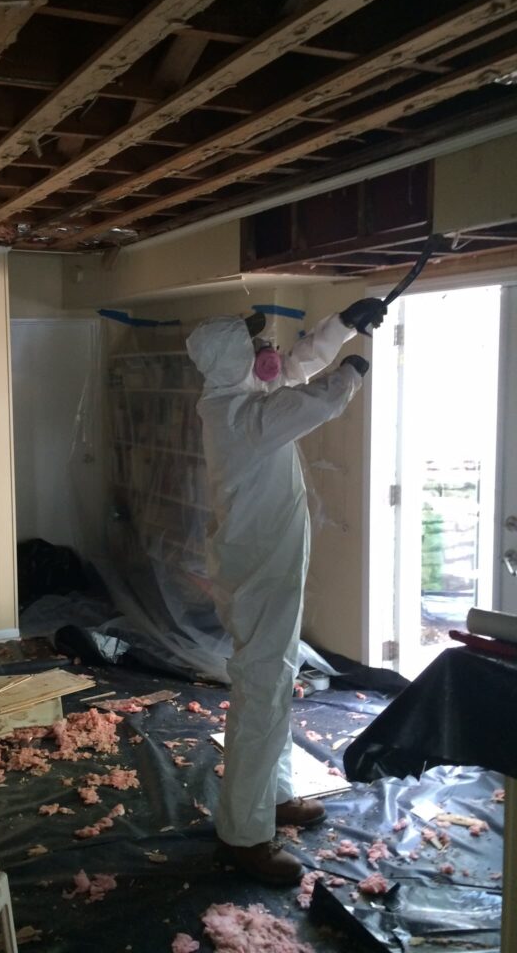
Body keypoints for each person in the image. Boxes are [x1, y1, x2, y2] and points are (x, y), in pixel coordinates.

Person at [186, 299, 385, 884]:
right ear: (235, 365)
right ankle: (244, 836)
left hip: (263, 565)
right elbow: (314, 399)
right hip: (259, 573)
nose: (268, 355)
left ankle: (274, 797)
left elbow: (296, 368)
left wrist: (343, 323)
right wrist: (351, 374)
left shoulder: (240, 397)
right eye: (255, 349)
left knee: (273, 685)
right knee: (261, 695)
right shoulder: (242, 417)